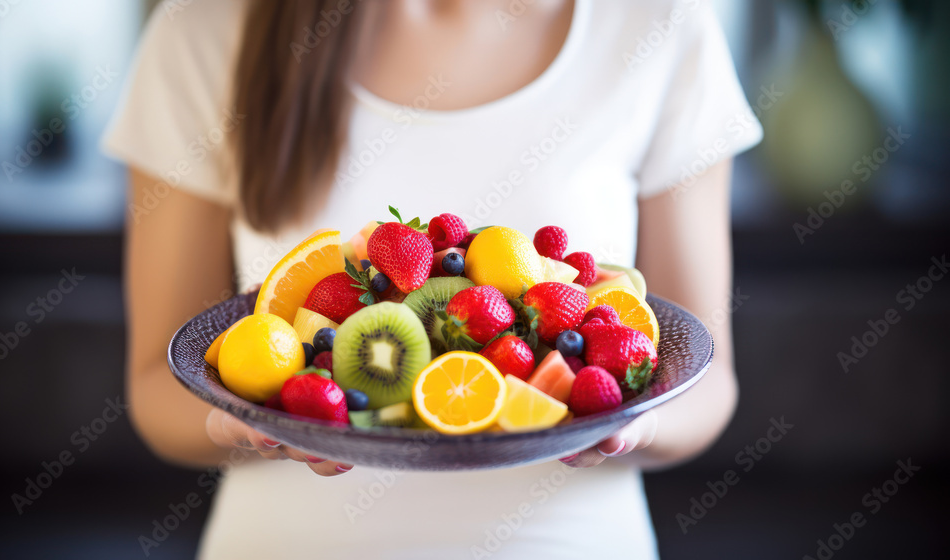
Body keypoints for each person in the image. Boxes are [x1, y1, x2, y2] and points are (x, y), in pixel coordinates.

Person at [104, 0, 761, 557]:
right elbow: (158, 389)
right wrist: (240, 422)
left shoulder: (658, 21)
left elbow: (706, 382)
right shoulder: (205, 26)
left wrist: (629, 421)